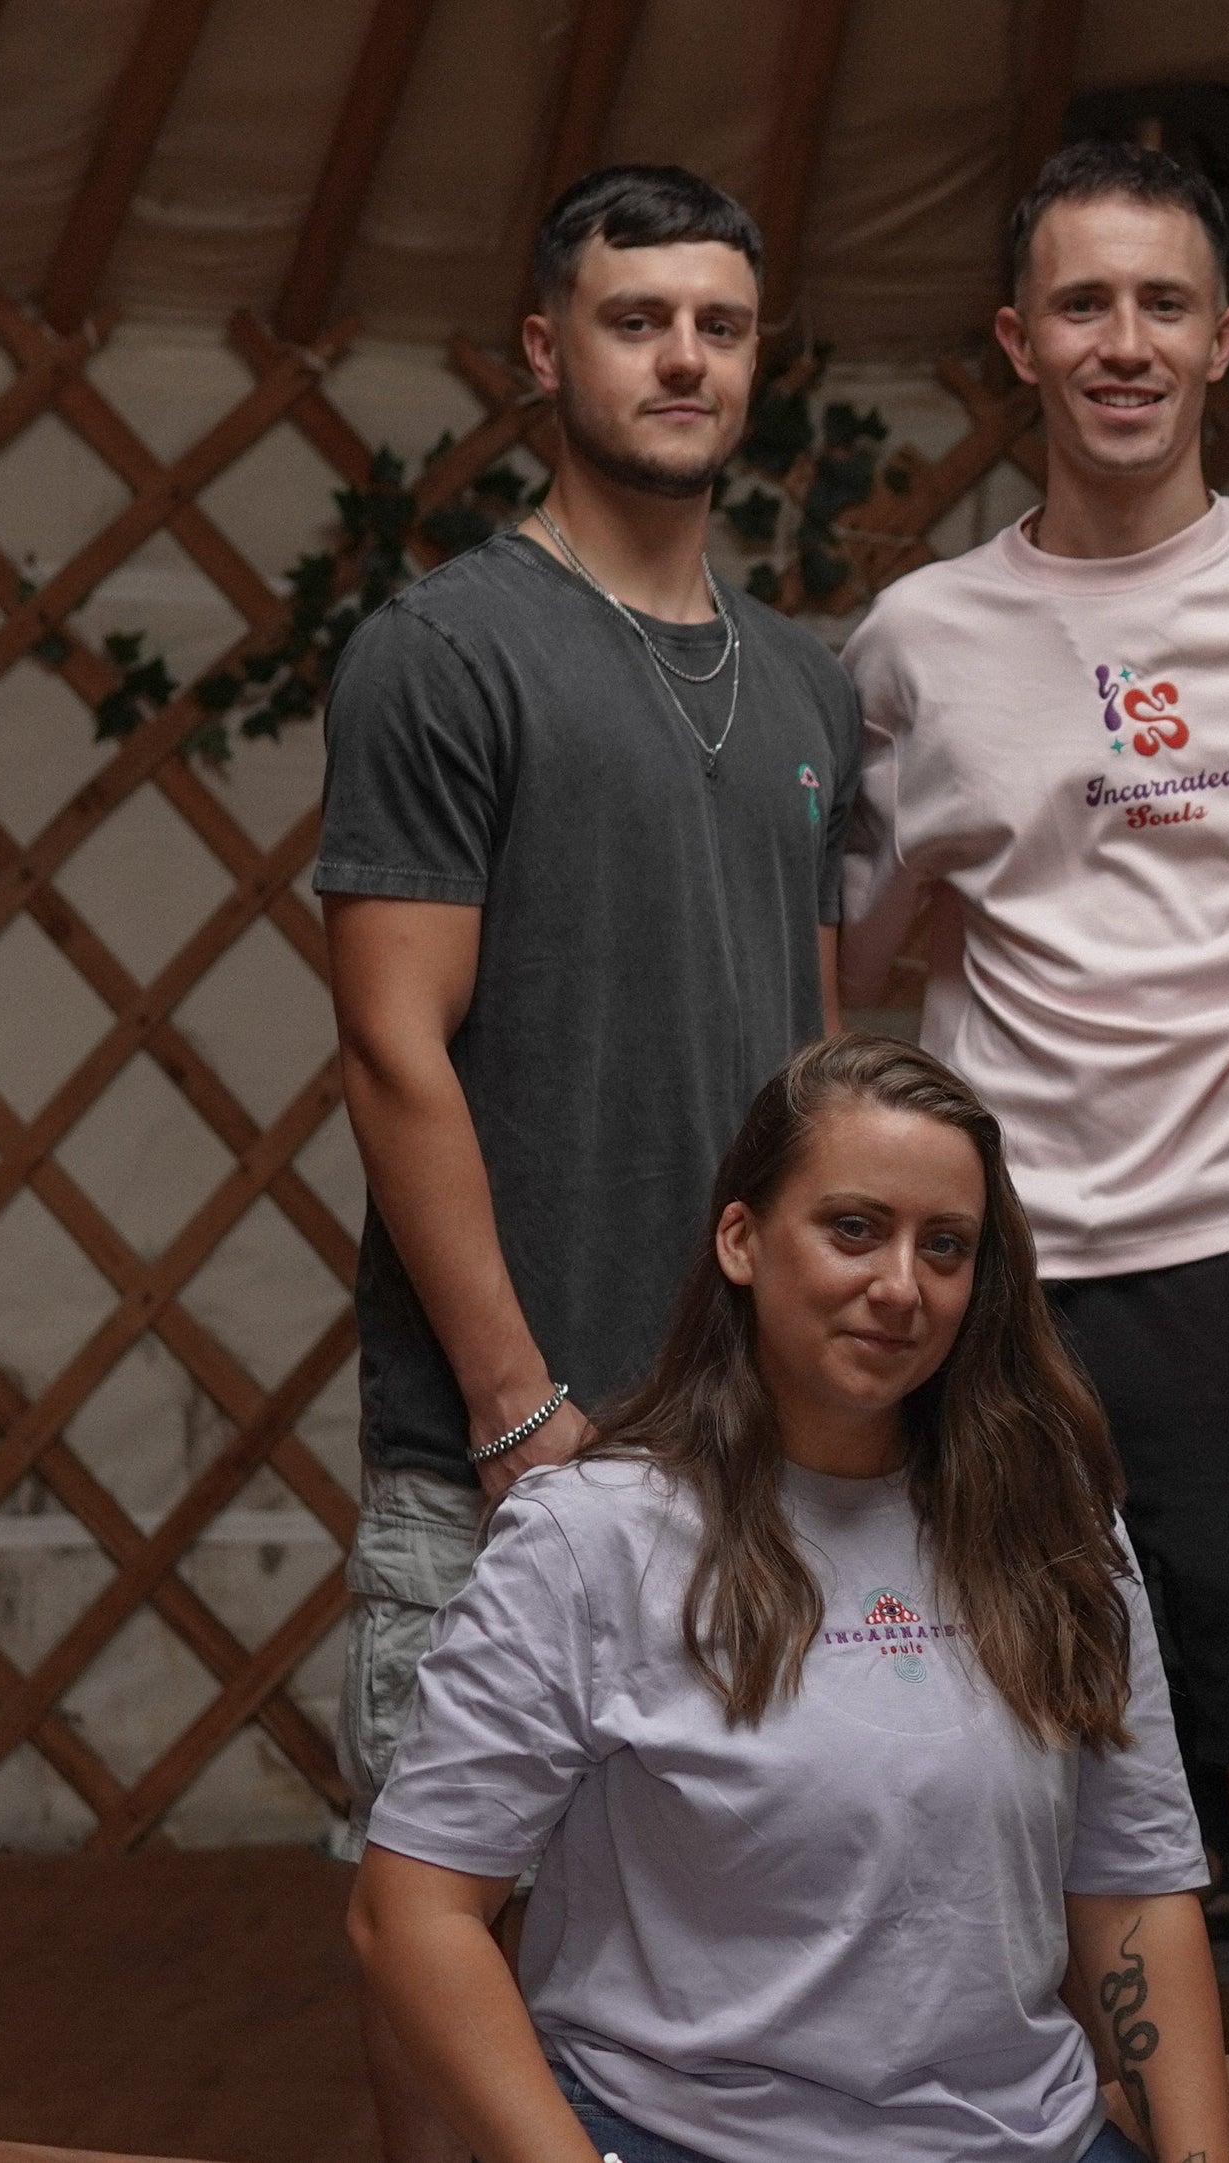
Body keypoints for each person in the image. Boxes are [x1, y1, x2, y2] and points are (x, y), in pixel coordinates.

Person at [839, 139, 1229, 2038]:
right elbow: (859, 974)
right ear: (1017, 339)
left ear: (1224, 339)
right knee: (1017, 1795)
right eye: (1081, 303)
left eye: (1161, 303)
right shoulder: (919, 641)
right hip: (997, 1286)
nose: (1122, 342)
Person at [316, 163, 860, 2163]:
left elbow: (815, 1079)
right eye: (640, 320)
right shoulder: (445, 653)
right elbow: (394, 1045)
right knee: (439, 1920)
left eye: (719, 322)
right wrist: (515, 1403)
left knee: (724, 1940)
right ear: (545, 351)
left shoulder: (807, 682)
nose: (686, 355)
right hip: (518, 1438)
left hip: (753, 1445)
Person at [346, 1034, 1229, 2163]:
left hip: (1027, 2141)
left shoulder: (1050, 1523)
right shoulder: (590, 1539)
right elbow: (413, 1913)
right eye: (854, 1229)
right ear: (742, 1240)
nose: (901, 1287)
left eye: (946, 1247)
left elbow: (1136, 1893)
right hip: (684, 2139)